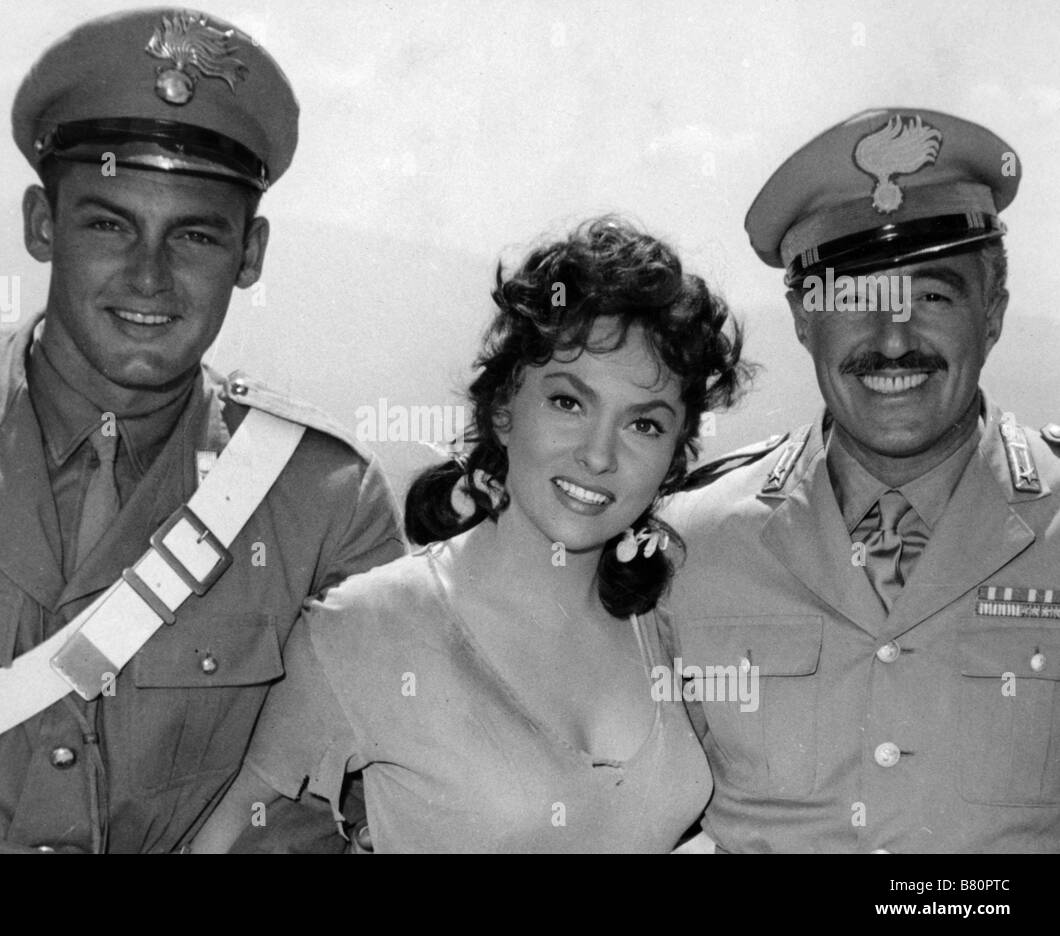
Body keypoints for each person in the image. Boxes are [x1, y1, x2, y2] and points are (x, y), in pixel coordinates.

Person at [0, 8, 403, 854]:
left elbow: (367, 793)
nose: (149, 276)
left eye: (196, 236)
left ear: (250, 255)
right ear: (41, 223)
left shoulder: (321, 498)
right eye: (108, 223)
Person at [191, 216, 750, 853]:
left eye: (644, 425)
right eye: (569, 402)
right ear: (504, 411)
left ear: (676, 451)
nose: (599, 456)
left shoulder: (666, 620)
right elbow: (231, 830)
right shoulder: (362, 629)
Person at [657, 107, 1060, 853]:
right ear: (804, 319)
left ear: (993, 312)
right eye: (853, 300)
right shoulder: (691, 543)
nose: (894, 339)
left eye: (933, 296)